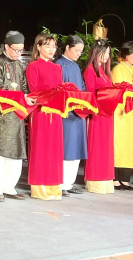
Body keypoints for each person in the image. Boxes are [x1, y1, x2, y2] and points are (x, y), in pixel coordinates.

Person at [0, 31, 31, 202]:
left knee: (16, 148)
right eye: (16, 50)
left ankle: (9, 187)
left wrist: (26, 96)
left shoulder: (19, 65)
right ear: (6, 46)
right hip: (1, 114)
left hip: (17, 113)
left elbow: (24, 86)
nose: (19, 53)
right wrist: (20, 94)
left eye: (21, 50)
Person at [26, 33, 64, 200]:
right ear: (38, 47)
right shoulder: (33, 66)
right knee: (41, 147)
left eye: (53, 46)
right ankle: (39, 188)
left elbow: (60, 89)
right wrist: (51, 95)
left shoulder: (57, 68)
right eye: (47, 46)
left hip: (55, 112)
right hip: (40, 112)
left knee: (55, 149)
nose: (51, 49)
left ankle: (54, 186)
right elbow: (34, 91)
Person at [111, 40, 133, 191]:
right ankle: (115, 179)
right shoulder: (118, 68)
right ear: (126, 54)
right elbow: (119, 89)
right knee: (120, 143)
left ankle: (125, 180)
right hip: (121, 111)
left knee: (132, 144)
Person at [56, 35, 87, 196]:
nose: (79, 54)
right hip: (66, 113)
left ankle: (69, 183)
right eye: (77, 50)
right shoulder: (58, 65)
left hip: (78, 112)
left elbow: (81, 87)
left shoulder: (75, 66)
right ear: (67, 48)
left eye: (81, 51)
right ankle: (60, 183)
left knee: (76, 148)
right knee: (66, 148)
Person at [83, 40, 115, 194]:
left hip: (107, 114)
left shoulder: (104, 71)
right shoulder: (90, 70)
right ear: (96, 52)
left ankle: (106, 179)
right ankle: (95, 180)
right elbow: (90, 94)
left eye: (108, 53)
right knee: (97, 147)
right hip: (97, 114)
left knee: (106, 148)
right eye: (104, 53)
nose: (107, 56)